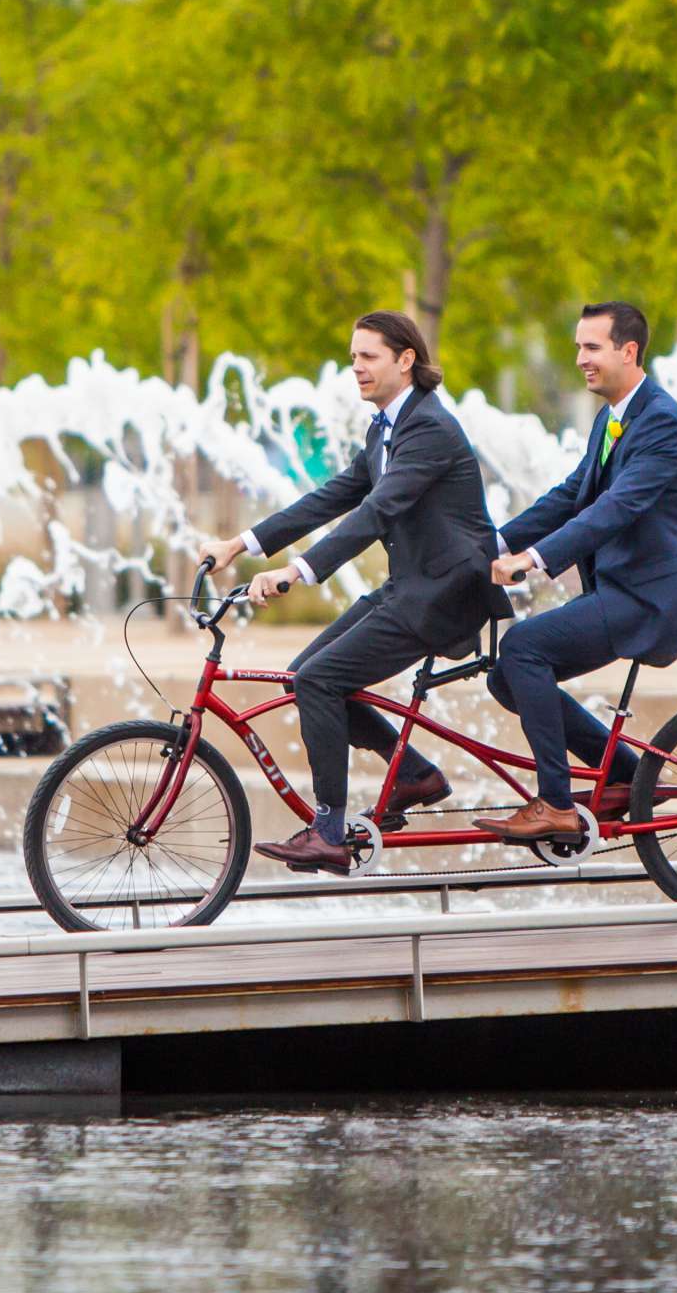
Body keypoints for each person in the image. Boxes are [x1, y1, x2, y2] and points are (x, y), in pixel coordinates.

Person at [199, 311, 509, 875]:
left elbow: (377, 512)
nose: (356, 368)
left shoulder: (429, 428)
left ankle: (329, 830)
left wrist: (299, 572)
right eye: (352, 358)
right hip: (411, 587)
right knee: (307, 674)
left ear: (405, 359)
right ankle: (413, 775)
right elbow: (331, 497)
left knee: (322, 678)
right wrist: (239, 544)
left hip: (445, 595)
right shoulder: (384, 429)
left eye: (368, 356)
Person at [472, 301, 677, 844]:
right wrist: (491, 544)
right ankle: (631, 777)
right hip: (629, 589)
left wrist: (533, 562)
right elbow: (571, 497)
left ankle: (557, 805)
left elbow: (616, 507)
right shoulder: (614, 417)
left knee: (523, 650)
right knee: (505, 673)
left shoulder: (661, 420)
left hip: (656, 595)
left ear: (628, 351)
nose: (580, 358)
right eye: (578, 347)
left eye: (592, 347)